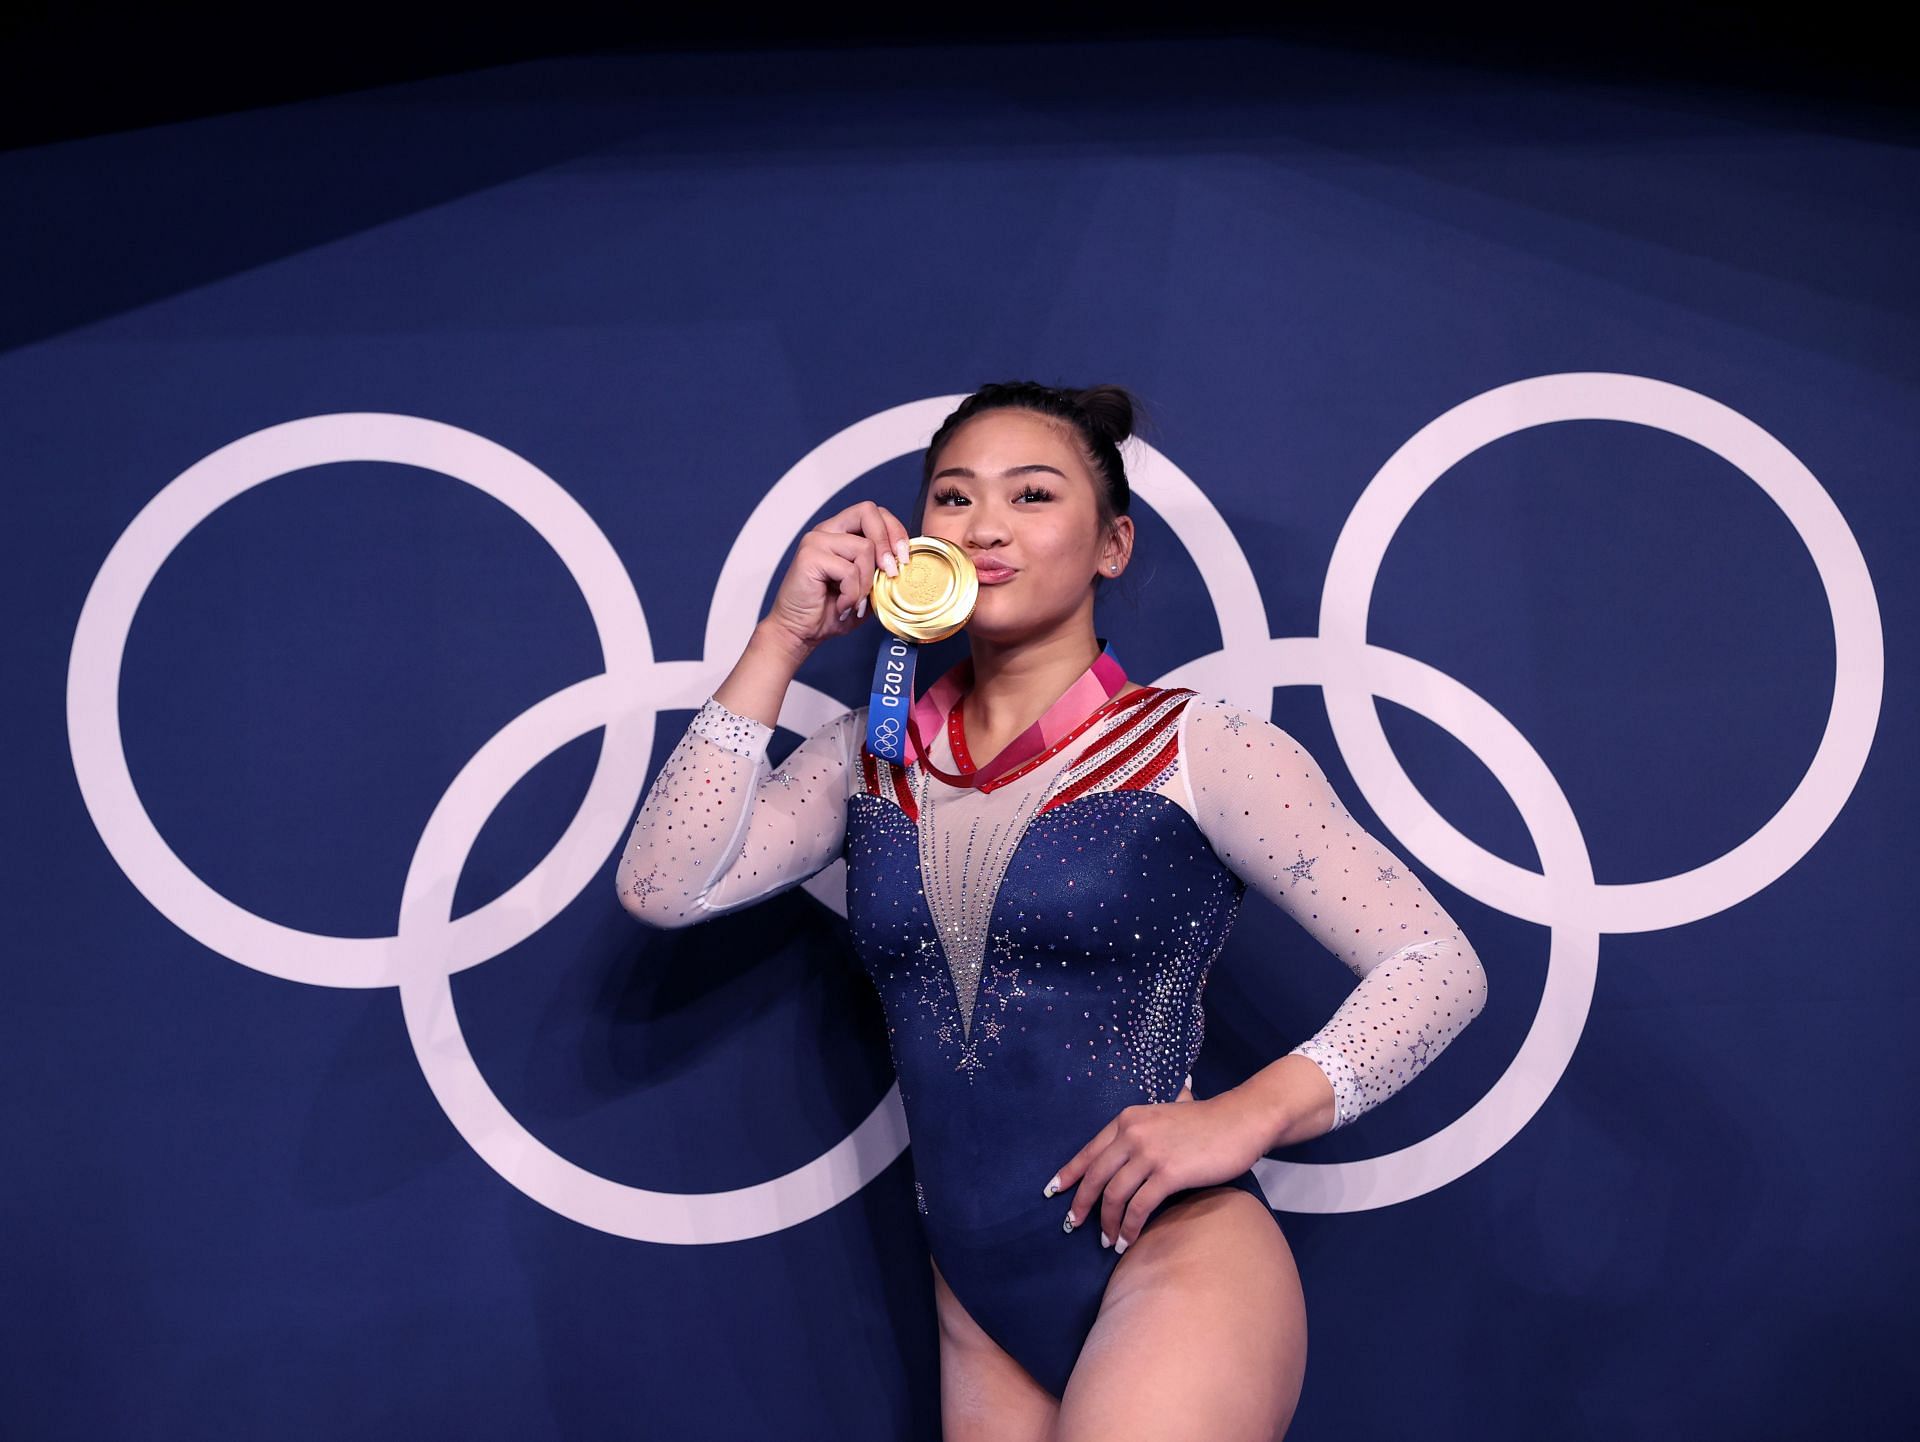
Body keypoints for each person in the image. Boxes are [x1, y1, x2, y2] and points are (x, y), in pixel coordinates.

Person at [616, 381, 1488, 1441]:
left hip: (1177, 1254)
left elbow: (1435, 963)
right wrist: (785, 636)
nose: (984, 526)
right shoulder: (869, 756)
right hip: (977, 1298)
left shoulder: (1197, 746)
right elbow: (662, 884)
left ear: (1111, 544)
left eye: (1032, 495)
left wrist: (1245, 1113)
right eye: (952, 498)